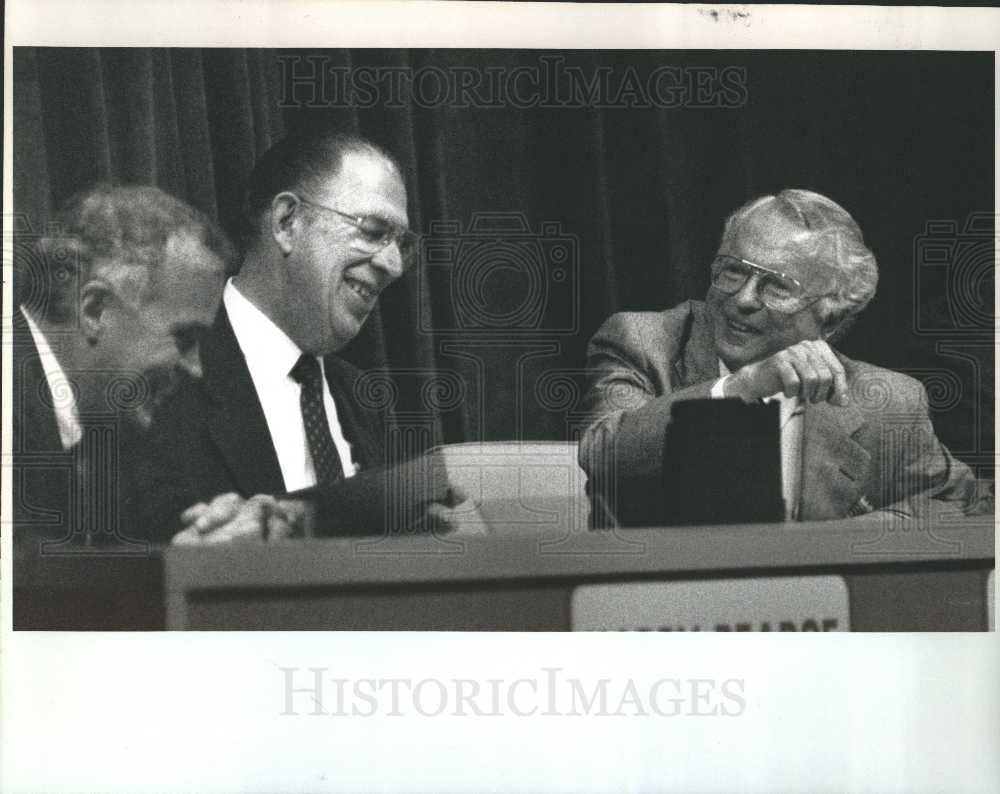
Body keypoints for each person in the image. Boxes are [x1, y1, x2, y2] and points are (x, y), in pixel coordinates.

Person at [136, 131, 477, 544]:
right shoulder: (159, 375)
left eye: (401, 244)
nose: (392, 265)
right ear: (286, 222)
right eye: (372, 230)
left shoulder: (364, 402)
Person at [579, 189, 991, 527]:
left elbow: (967, 504)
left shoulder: (887, 401)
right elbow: (603, 456)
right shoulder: (644, 341)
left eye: (777, 286)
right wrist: (740, 386)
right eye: (732, 270)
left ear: (831, 320)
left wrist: (872, 530)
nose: (741, 299)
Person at [11, 184, 231, 549]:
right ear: (94, 309)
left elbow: (168, 519)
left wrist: (224, 526)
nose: (197, 370)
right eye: (185, 337)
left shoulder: (113, 426)